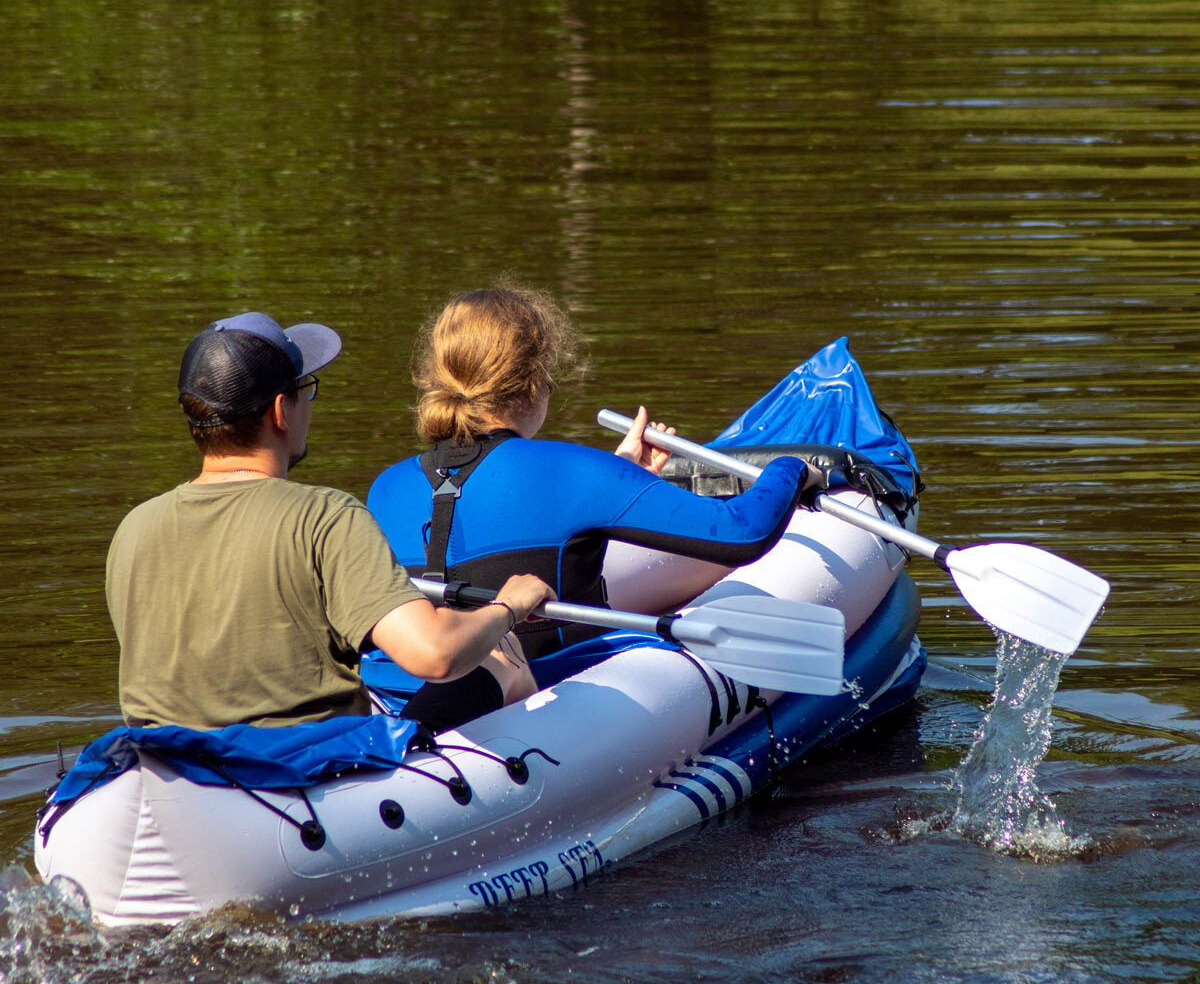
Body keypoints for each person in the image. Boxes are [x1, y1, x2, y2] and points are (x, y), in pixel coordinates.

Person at [366, 286, 826, 704]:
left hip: (402, 696)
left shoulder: (385, 487)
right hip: (543, 696)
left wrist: (621, 474)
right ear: (537, 380)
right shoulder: (575, 469)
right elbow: (742, 533)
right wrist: (791, 469)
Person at [105, 311, 554, 732]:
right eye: (307, 388)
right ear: (281, 410)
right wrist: (508, 606)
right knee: (500, 654)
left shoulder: (134, 528)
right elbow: (432, 654)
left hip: (166, 765)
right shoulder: (325, 516)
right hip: (299, 777)